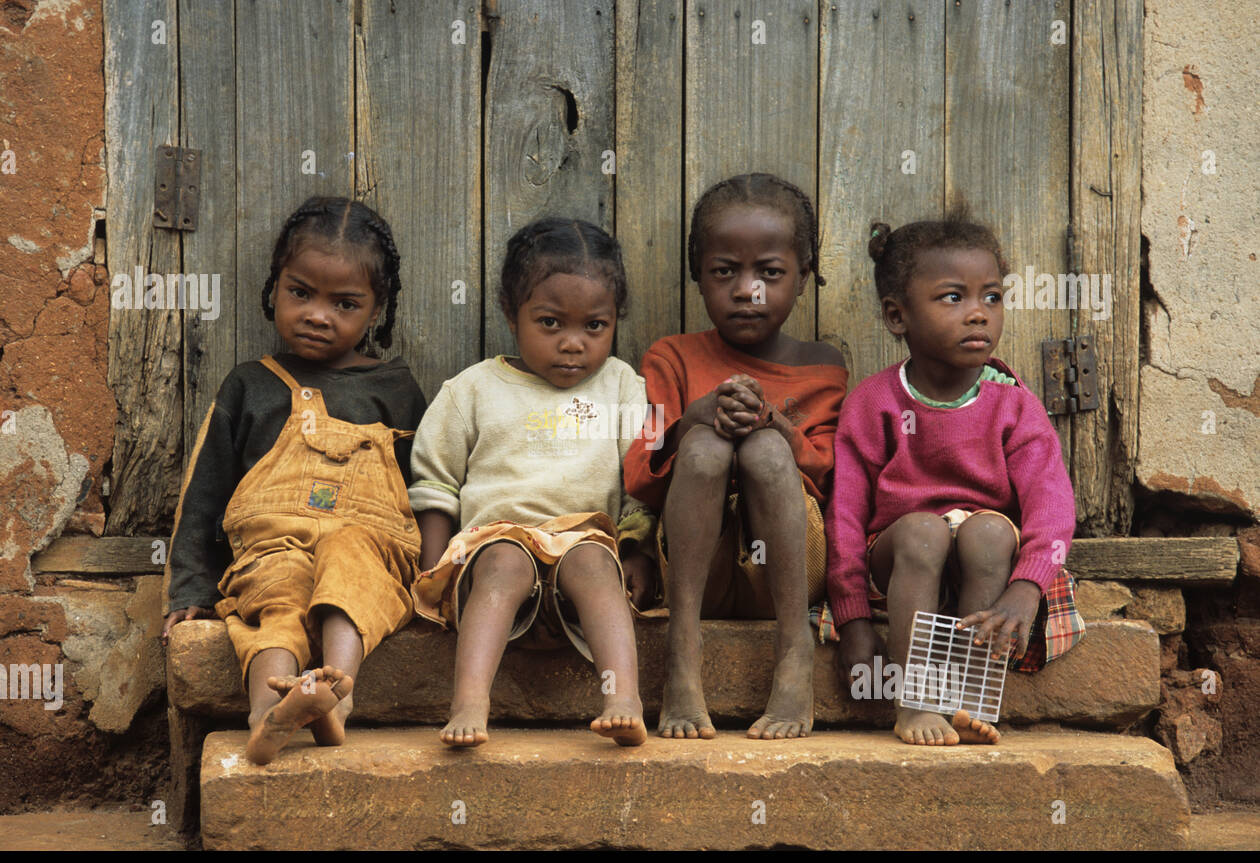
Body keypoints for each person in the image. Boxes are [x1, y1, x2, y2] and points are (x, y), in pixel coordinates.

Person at [162, 196, 425, 765]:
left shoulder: (398, 389)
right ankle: (269, 714)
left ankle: (334, 697)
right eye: (300, 292)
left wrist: (437, 575)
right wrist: (189, 589)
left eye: (345, 303)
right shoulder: (250, 384)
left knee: (349, 566)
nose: (317, 314)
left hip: (369, 542)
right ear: (274, 287)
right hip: (270, 544)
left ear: (375, 311)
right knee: (277, 597)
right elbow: (204, 492)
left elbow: (424, 487)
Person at [826, 212, 1085, 747]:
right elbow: (846, 518)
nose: (978, 316)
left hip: (981, 556)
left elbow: (1053, 505)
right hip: (900, 554)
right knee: (923, 531)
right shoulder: (873, 403)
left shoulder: (1013, 404)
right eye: (953, 298)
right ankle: (915, 702)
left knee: (989, 532)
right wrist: (852, 618)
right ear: (898, 317)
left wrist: (1027, 586)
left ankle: (967, 700)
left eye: (992, 298)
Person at [410, 217, 656, 748]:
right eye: (550, 323)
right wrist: (433, 568)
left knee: (592, 561)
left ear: (615, 322)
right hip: (494, 545)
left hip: (585, 544)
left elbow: (641, 480)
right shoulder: (471, 390)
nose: (573, 344)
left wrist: (637, 551)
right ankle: (471, 702)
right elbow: (435, 484)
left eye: (594, 326)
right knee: (505, 561)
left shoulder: (621, 385)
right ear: (510, 311)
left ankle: (623, 698)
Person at [624, 172, 848, 740]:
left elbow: (834, 477)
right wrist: (693, 419)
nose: (747, 289)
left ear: (803, 278)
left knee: (768, 452)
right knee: (703, 444)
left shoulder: (824, 367)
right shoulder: (670, 359)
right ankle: (682, 652)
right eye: (724, 271)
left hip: (789, 570)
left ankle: (795, 653)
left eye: (770, 273)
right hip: (701, 568)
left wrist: (775, 424)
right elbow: (638, 469)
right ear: (697, 275)